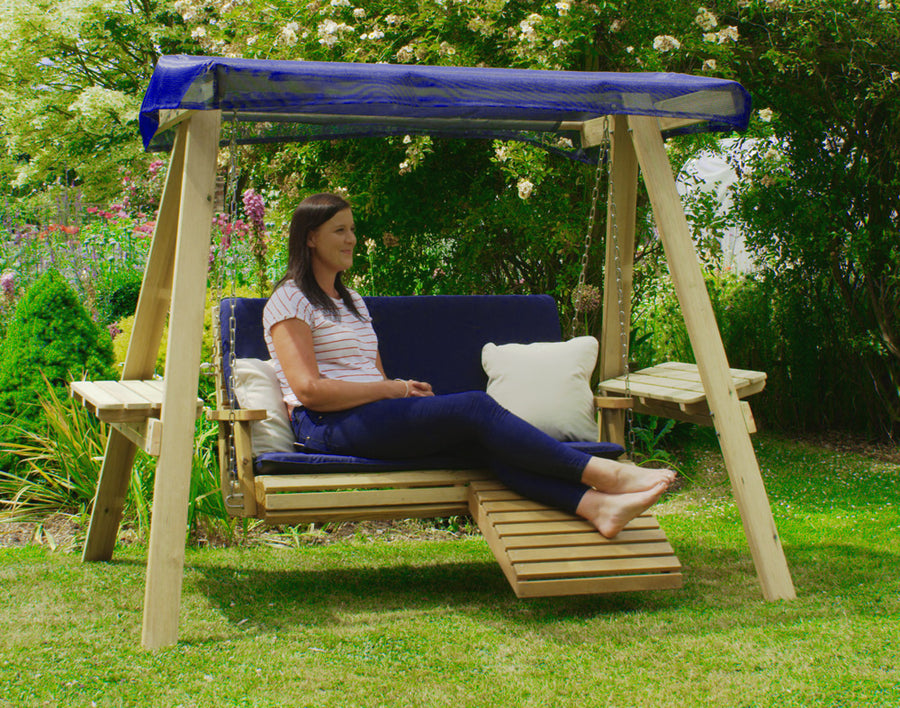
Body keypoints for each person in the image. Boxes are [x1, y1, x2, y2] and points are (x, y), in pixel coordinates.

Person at [263, 193, 674, 538]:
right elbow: (310, 390)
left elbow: (374, 376)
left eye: (352, 229)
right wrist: (394, 390)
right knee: (475, 406)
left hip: (370, 416)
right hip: (325, 424)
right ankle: (607, 475)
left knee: (482, 441)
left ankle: (596, 507)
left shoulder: (352, 301)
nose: (352, 239)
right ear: (311, 237)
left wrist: (403, 397)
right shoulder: (290, 299)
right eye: (340, 230)